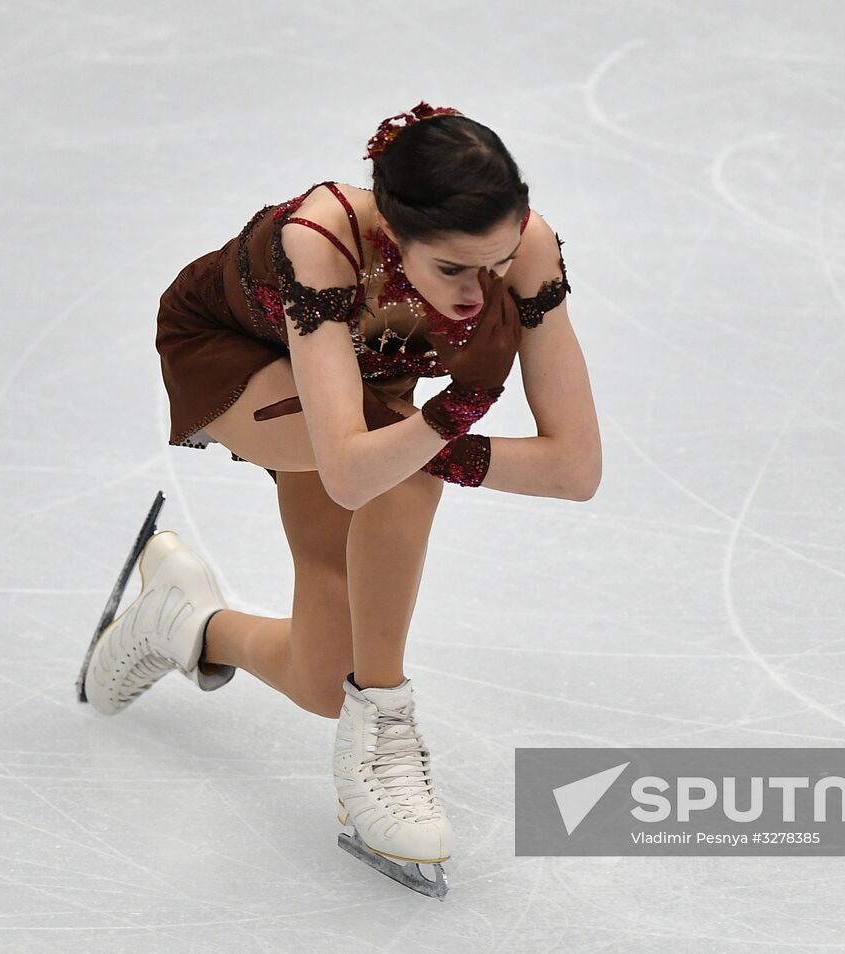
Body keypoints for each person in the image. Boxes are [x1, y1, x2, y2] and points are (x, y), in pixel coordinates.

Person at [78, 101, 602, 898]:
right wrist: (442, 420)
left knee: (324, 679)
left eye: (494, 264)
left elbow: (576, 469)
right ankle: (383, 730)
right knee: (401, 460)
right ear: (395, 233)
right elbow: (354, 473)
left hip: (364, 395)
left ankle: (181, 621)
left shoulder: (521, 246)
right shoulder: (319, 240)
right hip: (234, 358)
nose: (481, 291)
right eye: (453, 270)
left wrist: (440, 437)